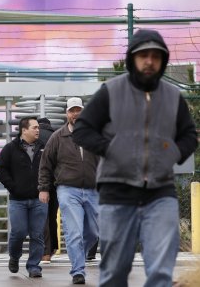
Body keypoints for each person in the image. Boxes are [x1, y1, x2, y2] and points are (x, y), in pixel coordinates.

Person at [73, 29, 198, 287]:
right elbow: (83, 129)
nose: (149, 61)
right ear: (132, 58)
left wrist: (172, 154)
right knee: (114, 274)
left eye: (156, 56)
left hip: (161, 192)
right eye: (143, 55)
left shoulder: (173, 97)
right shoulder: (111, 91)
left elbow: (189, 135)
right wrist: (112, 149)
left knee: (161, 273)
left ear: (163, 60)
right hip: (117, 192)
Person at [39, 97, 100, 285]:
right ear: (67, 113)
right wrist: (43, 188)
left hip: (93, 190)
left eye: (79, 110)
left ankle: (78, 256)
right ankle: (78, 271)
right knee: (74, 233)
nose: (76, 114)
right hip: (67, 190)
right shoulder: (57, 137)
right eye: (72, 110)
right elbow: (45, 165)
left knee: (94, 232)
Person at [0, 116, 48, 278]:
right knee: (18, 232)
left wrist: (47, 188)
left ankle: (33, 266)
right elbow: (1, 169)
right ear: (24, 130)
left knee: (37, 234)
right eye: (34, 127)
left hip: (39, 200)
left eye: (38, 127)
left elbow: (52, 168)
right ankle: (14, 257)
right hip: (17, 200)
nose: (38, 130)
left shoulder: (44, 147)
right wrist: (13, 187)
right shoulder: (10, 149)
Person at [37, 117, 58, 263]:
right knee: (52, 215)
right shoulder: (57, 135)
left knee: (42, 216)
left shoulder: (35, 137)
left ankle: (45, 251)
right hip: (56, 182)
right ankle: (53, 247)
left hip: (39, 182)